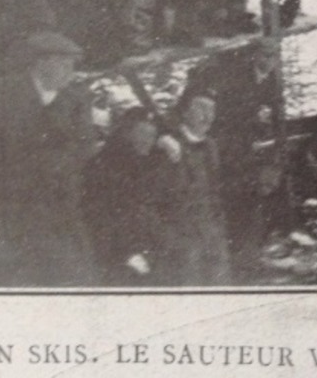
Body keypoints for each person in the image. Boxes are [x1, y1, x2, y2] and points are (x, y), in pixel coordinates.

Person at [0, 31, 100, 286]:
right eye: (64, 64)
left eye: (72, 65)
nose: (70, 72)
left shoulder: (76, 99)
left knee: (74, 265)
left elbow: (85, 147)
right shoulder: (4, 94)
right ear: (41, 63)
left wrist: (59, 169)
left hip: (60, 198)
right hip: (14, 197)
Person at [82, 106, 165, 286]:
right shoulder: (105, 165)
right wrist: (126, 253)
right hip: (119, 257)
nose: (148, 140)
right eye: (142, 133)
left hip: (146, 252)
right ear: (127, 133)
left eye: (153, 135)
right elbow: (100, 216)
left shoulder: (144, 164)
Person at [160, 86, 233, 286]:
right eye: (201, 109)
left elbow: (215, 189)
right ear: (184, 112)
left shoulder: (211, 146)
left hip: (212, 231)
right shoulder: (168, 146)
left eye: (212, 110)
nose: (208, 116)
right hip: (183, 235)